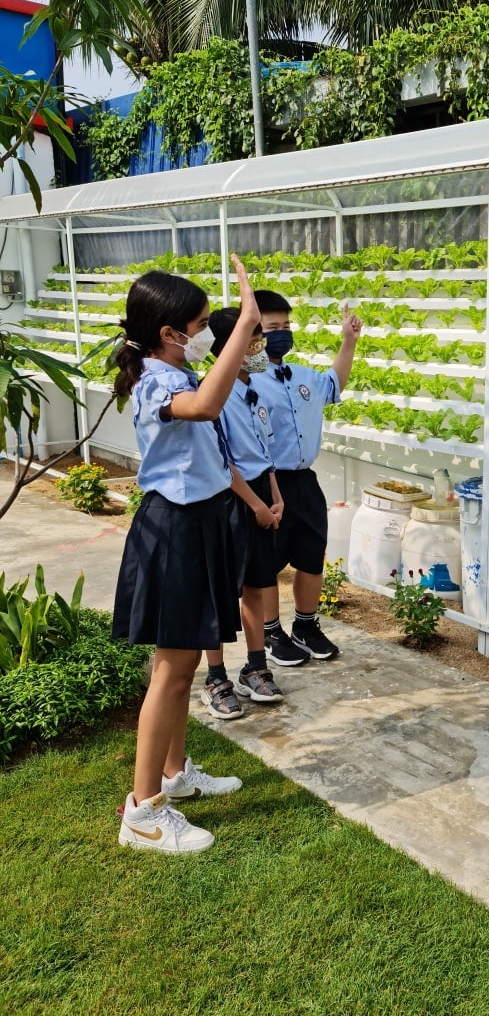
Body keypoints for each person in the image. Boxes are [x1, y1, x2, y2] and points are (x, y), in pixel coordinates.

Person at [112, 257, 260, 854]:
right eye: (201, 325)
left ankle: (174, 776)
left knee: (182, 665)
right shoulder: (158, 380)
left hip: (198, 523)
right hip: (173, 529)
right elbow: (202, 407)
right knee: (172, 673)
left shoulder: (171, 372)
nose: (207, 335)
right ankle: (143, 813)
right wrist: (246, 317)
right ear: (171, 334)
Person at [249, 289, 361, 665]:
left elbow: (334, 383)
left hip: (304, 481)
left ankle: (306, 626)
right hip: (266, 482)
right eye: (271, 327)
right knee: (266, 562)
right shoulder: (244, 381)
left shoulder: (303, 376)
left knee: (312, 556)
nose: (281, 333)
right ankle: (269, 632)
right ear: (252, 333)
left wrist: (349, 341)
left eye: (286, 325)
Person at [199, 308, 286, 719]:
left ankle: (256, 666)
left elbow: (262, 451)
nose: (258, 346)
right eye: (250, 339)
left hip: (261, 499)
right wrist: (254, 505)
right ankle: (215, 677)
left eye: (257, 337)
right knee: (219, 593)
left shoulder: (253, 388)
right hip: (231, 502)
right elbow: (221, 459)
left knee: (256, 586)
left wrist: (274, 494)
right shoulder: (212, 394)